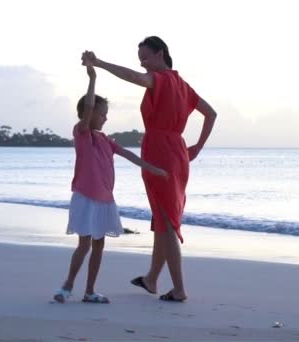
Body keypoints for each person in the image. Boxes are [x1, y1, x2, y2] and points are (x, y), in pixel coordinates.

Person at [81, 36, 217, 302]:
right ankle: (152, 278)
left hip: (160, 150)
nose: (143, 64)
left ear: (160, 54)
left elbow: (134, 77)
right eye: (140, 59)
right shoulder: (183, 85)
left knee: (166, 220)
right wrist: (197, 147)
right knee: (162, 216)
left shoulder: (161, 79)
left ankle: (179, 289)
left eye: (145, 57)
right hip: (177, 150)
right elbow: (211, 114)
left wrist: (99, 63)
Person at [53, 64, 169, 304]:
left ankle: (89, 291)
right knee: (84, 244)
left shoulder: (106, 140)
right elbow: (87, 108)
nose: (105, 117)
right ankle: (67, 285)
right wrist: (93, 77)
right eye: (102, 113)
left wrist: (154, 169)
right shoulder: (82, 133)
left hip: (105, 199)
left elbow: (130, 155)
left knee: (98, 246)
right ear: (91, 112)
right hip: (85, 197)